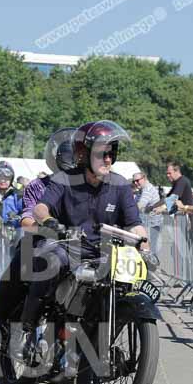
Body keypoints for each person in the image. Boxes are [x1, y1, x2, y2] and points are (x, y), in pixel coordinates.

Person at [25, 120, 149, 362]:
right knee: (53, 260)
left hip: (101, 253)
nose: (108, 159)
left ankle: (93, 341)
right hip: (66, 246)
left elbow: (135, 223)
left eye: (112, 153)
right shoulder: (64, 179)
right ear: (84, 153)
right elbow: (40, 208)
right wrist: (49, 221)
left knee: (124, 282)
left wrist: (144, 245)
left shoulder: (121, 185)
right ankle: (29, 327)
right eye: (102, 153)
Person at [0, 127, 77, 344]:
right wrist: (46, 226)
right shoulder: (38, 186)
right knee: (17, 267)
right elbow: (26, 219)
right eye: (71, 157)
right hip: (42, 243)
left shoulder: (89, 189)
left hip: (79, 249)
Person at [133, 171, 163, 253]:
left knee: (149, 250)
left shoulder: (148, 190)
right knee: (146, 249)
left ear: (144, 178)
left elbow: (140, 205)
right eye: (134, 181)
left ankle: (151, 265)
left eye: (137, 180)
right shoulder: (142, 190)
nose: (135, 183)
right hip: (147, 223)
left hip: (151, 224)